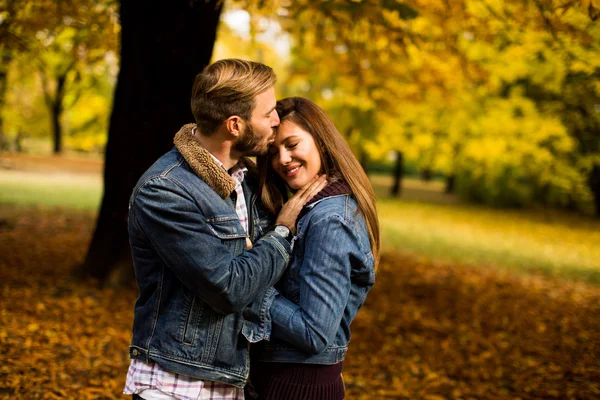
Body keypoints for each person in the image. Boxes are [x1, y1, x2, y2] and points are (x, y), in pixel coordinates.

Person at [123, 60, 327, 400]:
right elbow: (229, 288)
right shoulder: (165, 191)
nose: (276, 120)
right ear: (235, 125)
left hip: (229, 380)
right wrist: (281, 233)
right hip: (176, 385)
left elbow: (257, 276)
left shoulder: (245, 181)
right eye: (268, 115)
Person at [246, 97, 380, 399]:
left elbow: (314, 331)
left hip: (296, 385)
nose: (282, 159)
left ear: (321, 141)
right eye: (274, 150)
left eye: (292, 144)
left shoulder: (328, 219)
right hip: (286, 379)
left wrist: (246, 285)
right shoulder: (315, 209)